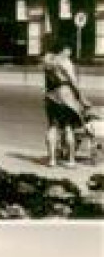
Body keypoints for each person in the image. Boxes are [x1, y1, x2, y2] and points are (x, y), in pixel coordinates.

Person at [42, 39, 87, 168]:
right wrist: (81, 97)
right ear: (64, 49)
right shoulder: (65, 62)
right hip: (65, 94)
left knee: (52, 126)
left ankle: (52, 160)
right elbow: (73, 82)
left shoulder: (47, 60)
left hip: (50, 94)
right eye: (69, 49)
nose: (70, 52)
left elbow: (46, 81)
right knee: (68, 126)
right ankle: (71, 161)